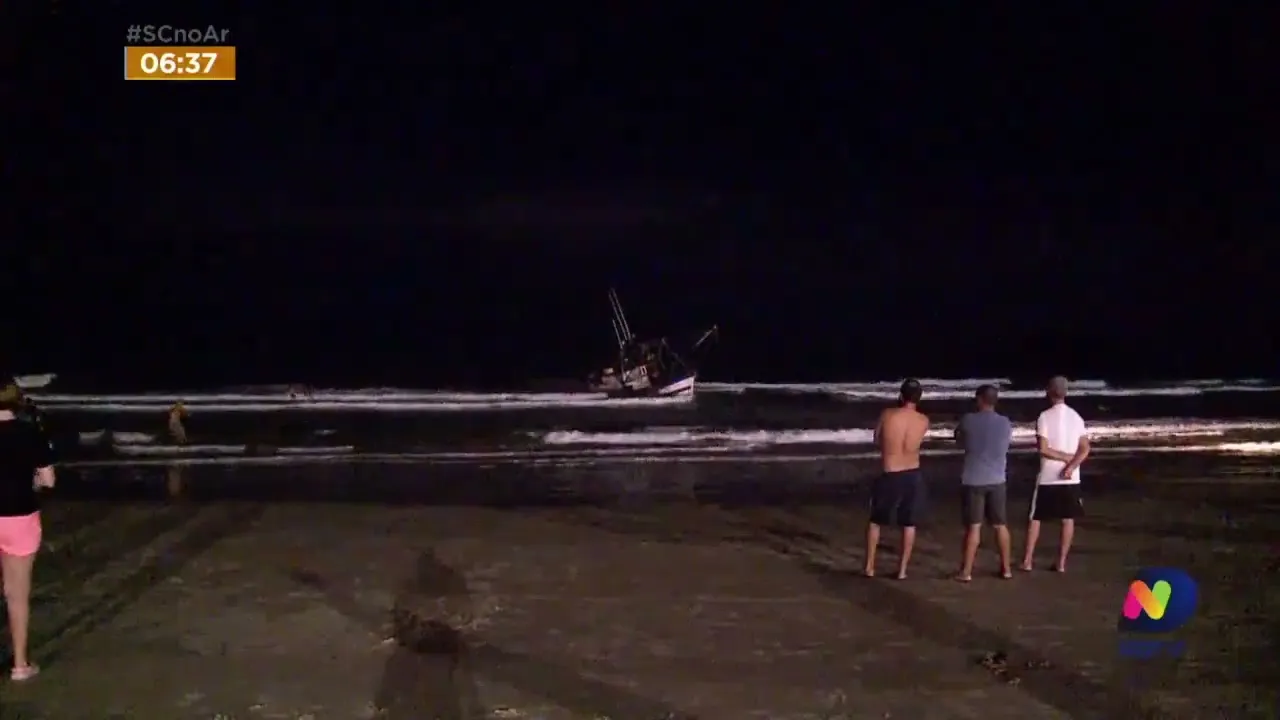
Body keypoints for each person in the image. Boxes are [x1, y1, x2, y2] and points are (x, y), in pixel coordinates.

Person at [0, 381, 56, 681]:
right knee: (16, 594)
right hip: (20, 516)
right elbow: (48, 481)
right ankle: (20, 665)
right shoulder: (29, 432)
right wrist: (31, 480)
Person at [1021, 376, 1090, 572]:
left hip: (1049, 475)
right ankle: (1061, 563)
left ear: (1049, 391)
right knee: (1067, 519)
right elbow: (1085, 448)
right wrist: (1072, 464)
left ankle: (1027, 560)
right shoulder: (1076, 417)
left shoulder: (1044, 416)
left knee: (1036, 518)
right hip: (1071, 476)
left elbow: (1043, 449)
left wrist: (1064, 458)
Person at [864, 378, 929, 579]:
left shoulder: (888, 414)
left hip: (890, 471)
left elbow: (876, 439)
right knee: (908, 523)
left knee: (876, 521)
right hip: (912, 473)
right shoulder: (923, 420)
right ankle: (901, 571)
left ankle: (869, 567)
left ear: (901, 395)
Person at [953, 384, 1014, 581]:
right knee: (1000, 525)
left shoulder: (968, 420)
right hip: (997, 479)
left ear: (979, 399)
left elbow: (959, 440)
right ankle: (1006, 568)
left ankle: (966, 571)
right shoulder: (1005, 422)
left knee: (973, 527)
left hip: (973, 478)